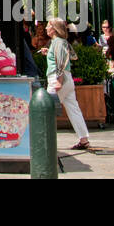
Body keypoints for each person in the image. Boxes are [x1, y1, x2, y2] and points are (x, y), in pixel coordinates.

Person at [46, 18, 90, 151]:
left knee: (46, 109)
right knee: (73, 108)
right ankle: (84, 139)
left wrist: (58, 81)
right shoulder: (60, 42)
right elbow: (69, 57)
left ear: (54, 29)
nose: (46, 28)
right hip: (67, 78)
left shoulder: (58, 42)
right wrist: (47, 53)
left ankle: (45, 140)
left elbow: (60, 62)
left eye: (48, 26)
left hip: (58, 78)